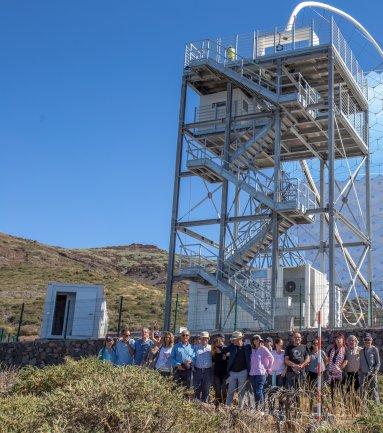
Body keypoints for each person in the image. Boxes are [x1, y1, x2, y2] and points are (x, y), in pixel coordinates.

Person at [224, 331, 251, 408]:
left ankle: (240, 409)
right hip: (232, 372)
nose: (233, 341)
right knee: (230, 391)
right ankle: (228, 407)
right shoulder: (232, 346)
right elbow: (223, 350)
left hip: (243, 372)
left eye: (234, 339)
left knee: (241, 391)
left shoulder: (247, 347)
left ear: (240, 339)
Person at [249, 335, 274, 412]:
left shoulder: (263, 348)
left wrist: (268, 368)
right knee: (255, 391)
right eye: (254, 339)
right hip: (253, 373)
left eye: (257, 339)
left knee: (258, 391)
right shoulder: (252, 350)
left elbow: (271, 358)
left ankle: (262, 410)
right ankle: (257, 409)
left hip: (261, 373)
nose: (256, 340)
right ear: (253, 341)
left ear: (260, 340)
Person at [359, 333, 381, 402]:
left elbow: (378, 363)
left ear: (371, 340)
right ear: (363, 340)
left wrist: (375, 372)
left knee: (374, 390)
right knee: (363, 391)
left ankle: (377, 407)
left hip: (372, 374)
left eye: (369, 339)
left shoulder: (375, 349)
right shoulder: (361, 351)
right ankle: (363, 406)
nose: (367, 341)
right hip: (363, 374)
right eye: (366, 339)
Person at [193, 331, 213, 402]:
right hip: (197, 370)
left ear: (208, 339)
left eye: (206, 338)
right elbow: (192, 357)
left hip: (208, 370)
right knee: (197, 387)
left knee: (206, 387)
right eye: (203, 338)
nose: (204, 339)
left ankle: (205, 404)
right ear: (200, 339)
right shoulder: (195, 348)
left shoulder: (211, 348)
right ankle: (197, 403)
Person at [328, 333, 346, 401]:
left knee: (341, 392)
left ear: (342, 340)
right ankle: (334, 408)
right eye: (336, 339)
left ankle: (341, 408)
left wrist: (339, 369)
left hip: (340, 375)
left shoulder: (345, 350)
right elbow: (328, 360)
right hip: (332, 375)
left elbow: (345, 361)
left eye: (339, 338)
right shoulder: (332, 350)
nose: (338, 340)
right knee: (333, 393)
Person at [211, 335, 228, 405]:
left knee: (224, 390)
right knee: (217, 390)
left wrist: (226, 356)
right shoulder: (213, 353)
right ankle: (218, 404)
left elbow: (229, 360)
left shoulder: (225, 351)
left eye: (220, 344)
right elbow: (212, 363)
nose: (219, 346)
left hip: (224, 374)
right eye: (217, 345)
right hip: (216, 374)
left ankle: (224, 404)